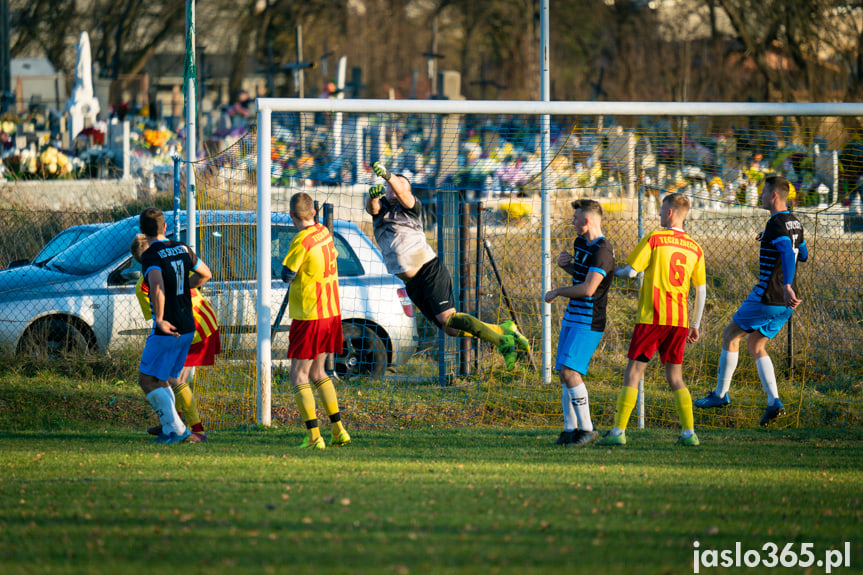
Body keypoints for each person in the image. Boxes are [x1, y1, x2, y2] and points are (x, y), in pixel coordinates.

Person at [366, 161, 530, 370]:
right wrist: (372, 194)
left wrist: (389, 175)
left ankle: (502, 342)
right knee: (450, 328)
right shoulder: (381, 209)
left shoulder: (411, 206)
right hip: (413, 283)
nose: (393, 190)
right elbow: (371, 207)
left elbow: (403, 193)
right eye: (390, 187)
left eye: (398, 186)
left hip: (428, 271)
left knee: (448, 318)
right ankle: (505, 330)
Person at [694, 175, 808, 426]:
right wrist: (768, 238)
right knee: (756, 344)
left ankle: (720, 395)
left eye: (763, 192)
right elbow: (804, 253)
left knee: (731, 335)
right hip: (787, 304)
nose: (760, 196)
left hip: (770, 294)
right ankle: (774, 402)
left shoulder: (777, 223)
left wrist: (786, 284)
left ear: (774, 196)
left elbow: (789, 254)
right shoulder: (794, 222)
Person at [596, 193, 707, 447]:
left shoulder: (655, 239)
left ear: (669, 213)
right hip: (679, 321)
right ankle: (689, 434)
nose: (658, 215)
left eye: (660, 210)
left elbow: (633, 272)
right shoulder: (695, 248)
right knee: (675, 377)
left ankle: (618, 432)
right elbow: (701, 290)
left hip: (652, 317)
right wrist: (696, 325)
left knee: (634, 372)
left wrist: (608, 271)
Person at [131, 234, 220, 443]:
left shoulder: (144, 284)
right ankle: (173, 424)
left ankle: (197, 430)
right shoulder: (174, 261)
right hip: (200, 320)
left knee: (175, 379)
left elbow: (157, 318)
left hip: (194, 327)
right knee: (169, 378)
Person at [281, 192, 350, 450]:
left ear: (291, 217)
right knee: (319, 372)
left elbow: (287, 273)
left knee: (298, 376)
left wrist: (285, 270)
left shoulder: (301, 240)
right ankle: (338, 430)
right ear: (314, 213)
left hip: (310, 314)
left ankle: (313, 437)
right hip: (331, 313)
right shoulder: (323, 231)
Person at [544, 199, 615, 447]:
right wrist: (567, 266)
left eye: (575, 218)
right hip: (572, 317)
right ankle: (570, 429)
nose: (572, 222)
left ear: (586, 221)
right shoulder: (580, 243)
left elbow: (588, 289)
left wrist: (558, 292)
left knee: (570, 371)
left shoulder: (603, 252)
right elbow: (580, 276)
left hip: (589, 321)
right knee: (564, 373)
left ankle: (587, 429)